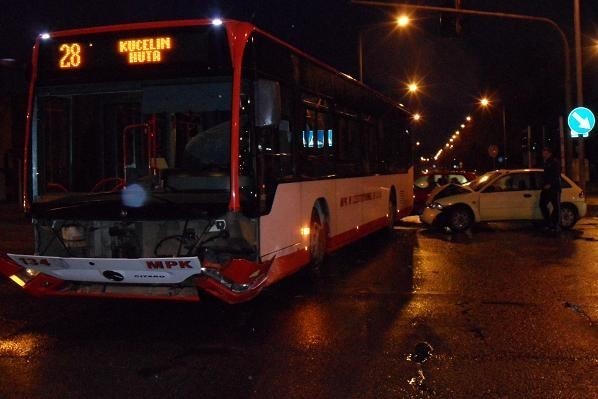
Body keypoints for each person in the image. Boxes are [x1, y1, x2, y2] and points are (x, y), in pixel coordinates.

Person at [539, 146, 562, 232]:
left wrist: (550, 184)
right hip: (546, 188)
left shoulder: (554, 163)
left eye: (545, 153)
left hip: (554, 189)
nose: (544, 155)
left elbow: (556, 175)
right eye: (543, 153)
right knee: (542, 204)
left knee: (556, 206)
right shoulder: (545, 163)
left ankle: (555, 225)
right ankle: (549, 222)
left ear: (550, 154)